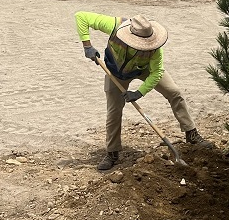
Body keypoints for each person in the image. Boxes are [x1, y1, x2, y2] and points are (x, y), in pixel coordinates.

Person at [75, 11, 205, 171]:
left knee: (174, 92)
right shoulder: (114, 26)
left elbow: (157, 72)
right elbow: (81, 16)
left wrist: (139, 92)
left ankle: (191, 133)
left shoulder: (155, 46)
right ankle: (112, 152)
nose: (144, 47)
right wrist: (87, 45)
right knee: (114, 110)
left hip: (144, 70)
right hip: (116, 72)